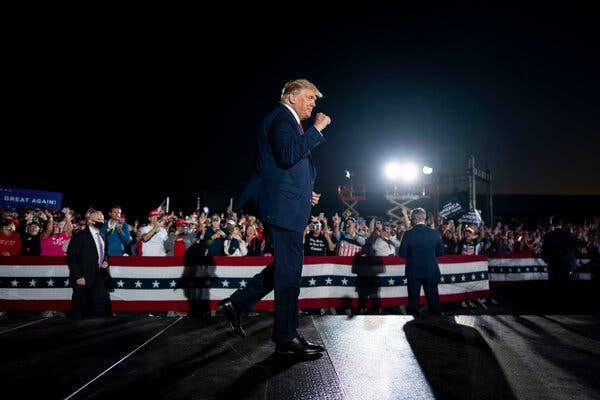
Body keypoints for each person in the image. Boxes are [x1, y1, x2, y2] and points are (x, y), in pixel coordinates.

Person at [218, 79, 331, 356]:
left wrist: (306, 194)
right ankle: (285, 337)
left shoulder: (286, 121)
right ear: (292, 97)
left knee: (285, 268)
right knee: (290, 274)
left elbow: (284, 169)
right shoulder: (282, 119)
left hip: (288, 206)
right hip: (282, 210)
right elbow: (288, 155)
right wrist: (316, 129)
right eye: (309, 98)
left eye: (314, 100)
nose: (313, 104)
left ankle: (238, 304)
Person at [398, 207, 445, 316]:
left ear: (414, 218)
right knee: (434, 302)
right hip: (431, 271)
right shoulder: (434, 233)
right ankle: (439, 327)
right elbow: (441, 253)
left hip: (413, 273)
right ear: (423, 218)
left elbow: (402, 254)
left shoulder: (408, 234)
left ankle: (415, 328)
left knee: (413, 303)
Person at [66, 210, 113, 317]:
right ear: (91, 221)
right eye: (99, 219)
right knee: (80, 308)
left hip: (99, 276)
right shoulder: (80, 236)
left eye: (102, 219)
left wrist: (104, 261)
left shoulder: (102, 236)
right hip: (83, 277)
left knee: (100, 307)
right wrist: (78, 276)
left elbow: (103, 252)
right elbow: (71, 257)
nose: (102, 221)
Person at [541, 215, 577, 294]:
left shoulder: (547, 236)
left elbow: (544, 252)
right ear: (562, 223)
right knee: (567, 289)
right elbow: (575, 251)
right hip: (567, 266)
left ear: (552, 224)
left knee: (554, 289)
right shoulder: (570, 235)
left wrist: (548, 261)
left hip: (553, 266)